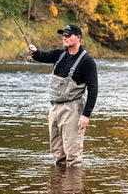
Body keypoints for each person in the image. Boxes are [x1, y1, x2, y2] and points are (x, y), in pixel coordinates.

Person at [27, 24, 98, 167]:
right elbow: (42, 56)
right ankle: (58, 186)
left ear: (78, 38)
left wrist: (86, 115)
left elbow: (93, 89)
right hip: (54, 108)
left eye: (68, 35)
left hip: (73, 110)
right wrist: (34, 51)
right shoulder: (59, 55)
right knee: (58, 153)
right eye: (63, 35)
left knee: (72, 156)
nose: (64, 37)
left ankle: (74, 187)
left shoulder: (87, 61)